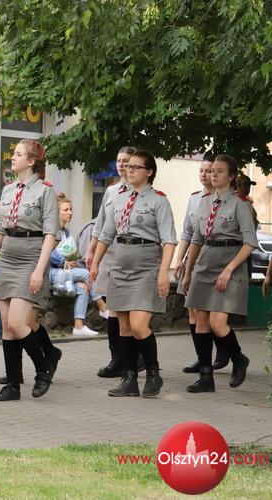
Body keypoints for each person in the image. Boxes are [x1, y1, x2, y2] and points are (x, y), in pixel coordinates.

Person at [91, 150, 177, 398]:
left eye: (136, 167)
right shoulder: (118, 199)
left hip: (146, 266)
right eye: (128, 166)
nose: (129, 170)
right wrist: (95, 263)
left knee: (139, 326)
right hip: (120, 264)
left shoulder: (159, 201)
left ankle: (153, 374)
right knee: (124, 327)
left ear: (149, 172)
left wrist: (164, 272)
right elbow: (106, 234)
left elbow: (169, 240)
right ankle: (129, 380)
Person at [0, 139, 58, 402]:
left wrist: (39, 270)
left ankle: (43, 368)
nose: (12, 158)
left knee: (17, 323)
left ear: (32, 161)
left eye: (18, 154)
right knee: (6, 325)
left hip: (31, 255)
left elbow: (50, 234)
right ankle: (12, 385)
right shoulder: (8, 189)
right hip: (7, 256)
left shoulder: (45, 191)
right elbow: (0, 229)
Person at [182, 154, 256, 393]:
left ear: (231, 176)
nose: (213, 174)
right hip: (205, 263)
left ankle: (238, 359)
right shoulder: (204, 202)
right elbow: (196, 239)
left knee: (217, 322)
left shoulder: (240, 204)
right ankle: (206, 377)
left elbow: (250, 243)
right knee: (201, 321)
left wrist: (229, 269)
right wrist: (187, 271)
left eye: (219, 171)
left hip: (230, 264)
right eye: (212, 170)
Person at [172, 159, 227, 373]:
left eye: (209, 171)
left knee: (210, 312)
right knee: (193, 310)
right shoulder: (195, 199)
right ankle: (202, 358)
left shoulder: (225, 200)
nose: (204, 174)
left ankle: (223, 351)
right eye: (201, 171)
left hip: (214, 259)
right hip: (194, 259)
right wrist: (179, 260)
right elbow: (187, 232)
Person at [85, 146, 135, 378]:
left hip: (130, 255)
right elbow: (101, 223)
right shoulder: (112, 191)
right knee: (112, 308)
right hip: (109, 251)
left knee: (128, 310)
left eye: (126, 161)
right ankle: (117, 359)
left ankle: (133, 357)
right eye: (119, 160)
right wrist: (91, 249)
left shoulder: (140, 192)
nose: (121, 165)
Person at [50, 193, 106, 336]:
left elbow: (71, 254)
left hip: (65, 272)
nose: (70, 212)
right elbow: (47, 254)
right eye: (66, 210)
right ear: (57, 213)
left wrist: (73, 260)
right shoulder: (52, 231)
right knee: (87, 274)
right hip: (51, 272)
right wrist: (64, 261)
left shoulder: (66, 232)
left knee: (83, 288)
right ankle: (103, 307)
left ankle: (78, 326)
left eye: (71, 209)